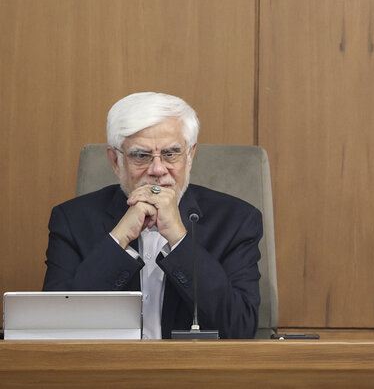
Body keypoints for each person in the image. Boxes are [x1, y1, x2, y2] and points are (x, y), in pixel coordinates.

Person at [43, 92, 263, 339]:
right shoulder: (72, 220)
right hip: (109, 363)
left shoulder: (236, 221)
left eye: (171, 154)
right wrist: (119, 238)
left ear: (190, 156)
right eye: (141, 155)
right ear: (115, 160)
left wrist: (179, 240)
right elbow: (56, 326)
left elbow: (239, 328)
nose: (158, 170)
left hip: (192, 364)